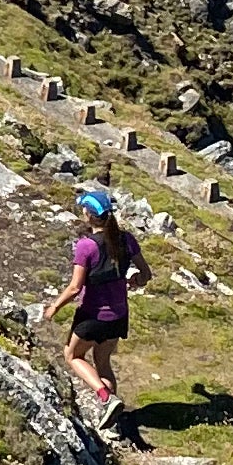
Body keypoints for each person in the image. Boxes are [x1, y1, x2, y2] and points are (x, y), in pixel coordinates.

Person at [48, 185, 147, 432]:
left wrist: (54, 308)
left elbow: (74, 288)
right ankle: (112, 421)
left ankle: (105, 396)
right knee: (103, 363)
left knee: (73, 356)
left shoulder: (86, 246)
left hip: (93, 315)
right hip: (118, 316)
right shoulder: (126, 239)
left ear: (90, 215)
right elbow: (146, 274)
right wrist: (135, 280)